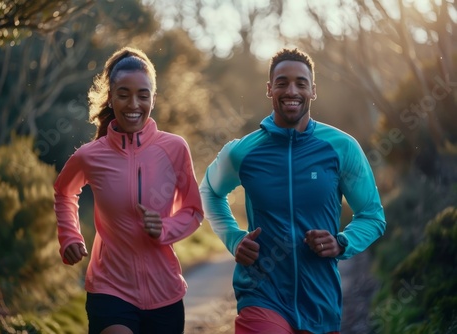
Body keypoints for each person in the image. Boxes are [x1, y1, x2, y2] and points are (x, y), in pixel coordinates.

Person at [199, 48, 386, 333]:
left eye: (301, 83)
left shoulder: (341, 147)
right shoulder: (243, 152)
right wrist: (234, 238)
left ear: (313, 90)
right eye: (282, 82)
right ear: (269, 89)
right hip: (261, 293)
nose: (291, 90)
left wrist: (342, 243)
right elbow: (210, 191)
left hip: (320, 299)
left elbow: (372, 216)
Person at [54, 46, 203, 334]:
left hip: (165, 292)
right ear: (110, 98)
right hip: (110, 289)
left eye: (142, 95)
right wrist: (69, 235)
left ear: (154, 98)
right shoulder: (90, 155)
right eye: (123, 94)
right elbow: (64, 192)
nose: (133, 104)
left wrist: (164, 229)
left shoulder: (174, 149)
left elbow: (193, 211)